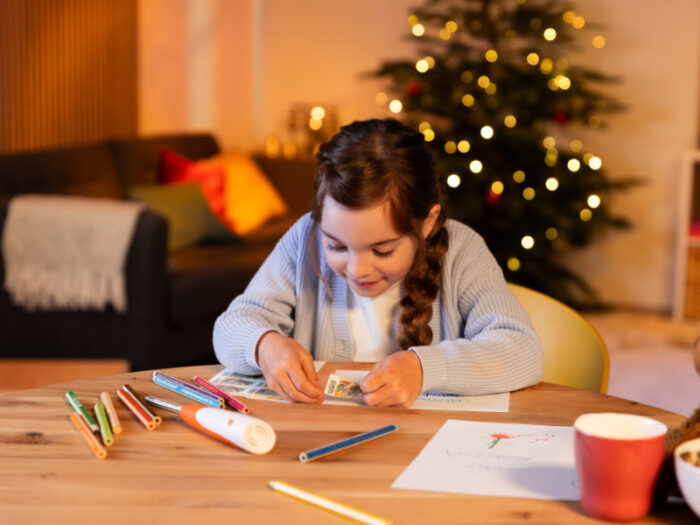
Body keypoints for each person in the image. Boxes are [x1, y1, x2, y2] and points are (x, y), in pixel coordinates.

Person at [213, 118, 543, 407]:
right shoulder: (305, 239)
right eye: (336, 245)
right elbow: (232, 325)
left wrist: (424, 368)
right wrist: (263, 345)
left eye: (382, 250)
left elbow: (523, 351)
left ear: (426, 224)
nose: (357, 270)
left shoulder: (462, 250)